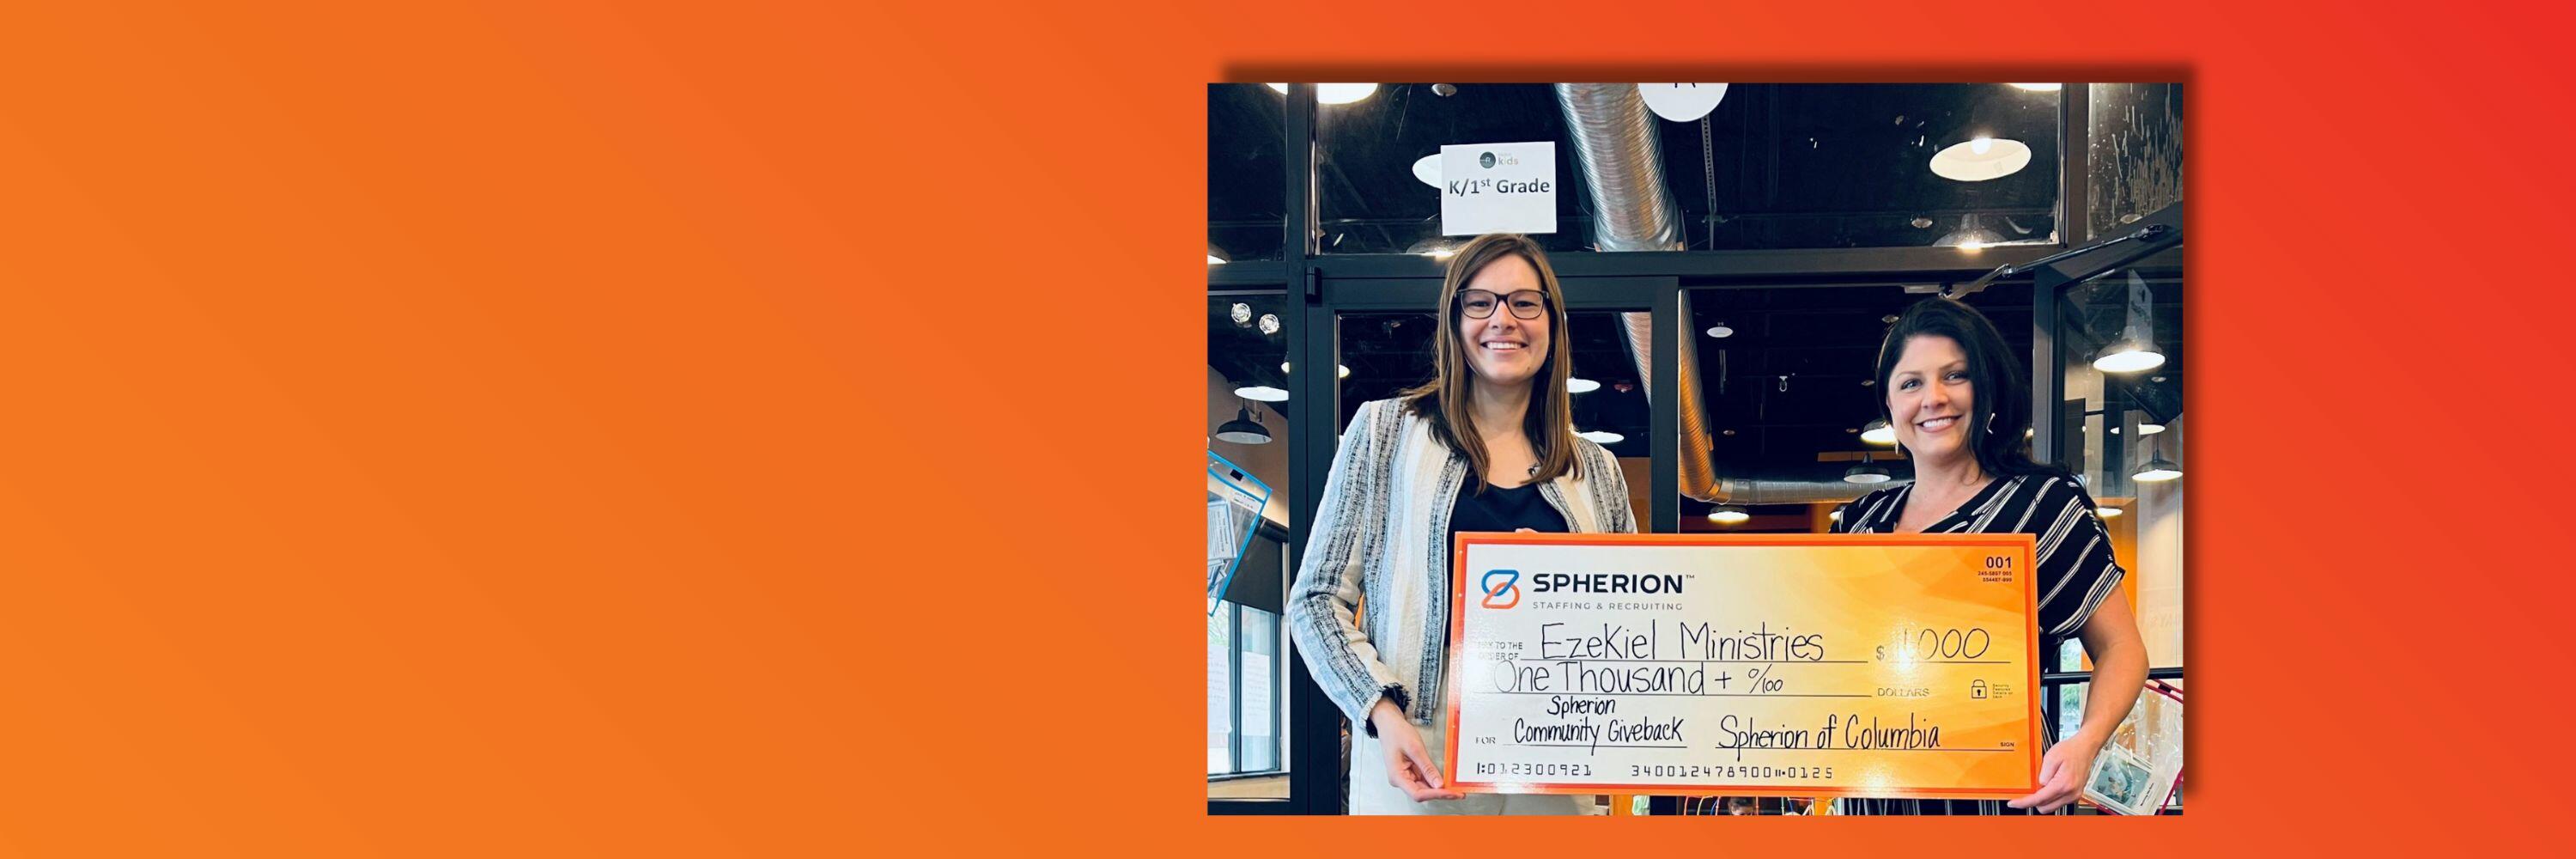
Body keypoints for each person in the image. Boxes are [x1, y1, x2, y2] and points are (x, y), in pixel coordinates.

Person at [1285, 233, 1637, 815]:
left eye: (1525, 302)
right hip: (1422, 767)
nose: (1503, 319)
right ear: (1455, 319)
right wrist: (1380, 712)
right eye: (1480, 302)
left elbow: (1631, 623)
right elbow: (1316, 600)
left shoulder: (1595, 470)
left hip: (1553, 771)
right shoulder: (1383, 435)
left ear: (1552, 320)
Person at [1830, 295, 2150, 813]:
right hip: (1877, 799)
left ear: (1986, 387)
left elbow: (2122, 649)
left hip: (2005, 802)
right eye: (1911, 383)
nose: (1933, 398)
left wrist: (2086, 742)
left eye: (1955, 376)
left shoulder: (2044, 505)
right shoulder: (1858, 522)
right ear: (1890, 406)